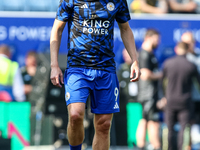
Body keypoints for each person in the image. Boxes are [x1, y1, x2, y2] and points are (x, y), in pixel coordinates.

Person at [50, 0, 141, 150]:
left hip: (106, 69)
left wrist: (135, 60)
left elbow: (125, 29)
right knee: (75, 115)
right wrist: (54, 65)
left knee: (104, 125)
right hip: (77, 68)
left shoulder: (118, 1)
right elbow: (57, 29)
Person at [162, 42, 200, 150]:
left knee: (168, 128)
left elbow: (162, 82)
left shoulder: (168, 63)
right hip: (185, 101)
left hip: (170, 101)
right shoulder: (191, 65)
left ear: (176, 49)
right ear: (187, 50)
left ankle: (167, 148)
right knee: (184, 128)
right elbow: (198, 83)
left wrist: (164, 96)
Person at [136, 29, 162, 150]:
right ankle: (153, 146)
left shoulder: (150, 53)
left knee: (146, 119)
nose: (159, 42)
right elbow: (145, 74)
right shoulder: (144, 53)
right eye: (157, 39)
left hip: (150, 93)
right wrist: (162, 75)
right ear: (149, 38)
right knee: (151, 121)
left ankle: (144, 145)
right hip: (148, 93)